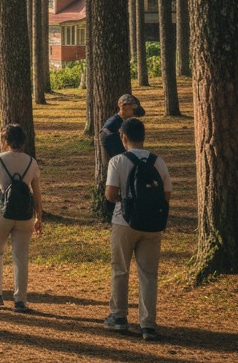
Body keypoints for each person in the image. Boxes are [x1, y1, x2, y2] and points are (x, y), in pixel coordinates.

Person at [104, 117, 172, 342]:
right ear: (143, 137)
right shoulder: (158, 161)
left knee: (120, 269)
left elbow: (110, 195)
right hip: (152, 225)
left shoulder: (118, 161)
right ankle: (148, 325)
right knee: (149, 274)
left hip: (124, 222)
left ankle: (119, 316)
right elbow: (167, 194)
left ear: (123, 138)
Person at [0, 124, 42, 312]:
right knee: (20, 256)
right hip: (25, 212)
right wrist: (38, 217)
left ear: (5, 141)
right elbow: (37, 192)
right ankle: (20, 299)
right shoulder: (31, 162)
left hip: (1, 207)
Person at [101, 93, 145, 161]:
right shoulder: (112, 124)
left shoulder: (128, 123)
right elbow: (105, 139)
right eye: (133, 106)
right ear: (123, 106)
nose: (134, 113)